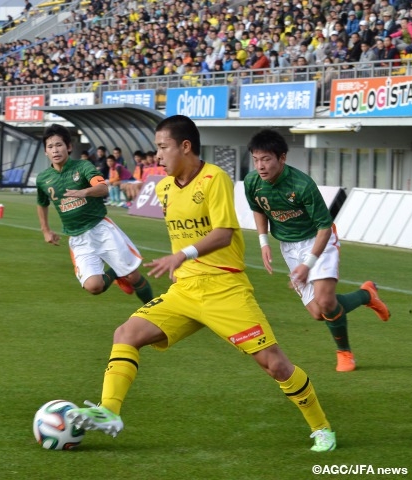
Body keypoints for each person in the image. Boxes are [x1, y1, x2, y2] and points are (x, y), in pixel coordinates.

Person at [66, 115, 336, 453]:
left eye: (163, 148)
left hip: (225, 289)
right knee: (126, 334)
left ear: (185, 146)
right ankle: (109, 411)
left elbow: (224, 234)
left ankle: (321, 428)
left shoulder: (214, 179)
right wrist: (180, 262)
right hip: (184, 291)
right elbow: (180, 229)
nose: (158, 156)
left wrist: (181, 256)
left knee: (275, 365)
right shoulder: (164, 187)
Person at [243, 129, 391, 372]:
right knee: (318, 312)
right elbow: (257, 208)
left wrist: (307, 264)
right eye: (256, 159)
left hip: (318, 240)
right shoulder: (252, 182)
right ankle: (367, 295)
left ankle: (345, 353)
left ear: (282, 158)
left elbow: (324, 228)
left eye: (266, 159)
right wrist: (263, 242)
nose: (260, 166)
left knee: (324, 300)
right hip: (289, 247)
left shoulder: (302, 185)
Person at [36, 123, 154, 304]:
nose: (55, 150)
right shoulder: (43, 179)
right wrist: (45, 230)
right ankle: (115, 273)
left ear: (69, 147)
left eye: (59, 145)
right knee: (94, 286)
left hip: (101, 229)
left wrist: (85, 192)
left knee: (133, 275)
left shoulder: (83, 167)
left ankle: (154, 311)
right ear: (45, 151)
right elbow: (42, 203)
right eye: (50, 147)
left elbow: (102, 187)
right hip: (78, 237)